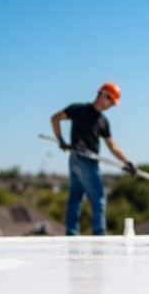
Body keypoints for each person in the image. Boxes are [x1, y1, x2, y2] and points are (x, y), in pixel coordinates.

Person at [50, 82, 136, 236]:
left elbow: (112, 146)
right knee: (99, 198)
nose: (111, 105)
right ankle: (100, 235)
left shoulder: (103, 121)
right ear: (103, 94)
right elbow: (55, 119)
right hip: (84, 160)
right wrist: (61, 141)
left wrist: (127, 162)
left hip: (76, 160)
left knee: (75, 197)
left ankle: (71, 233)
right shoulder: (78, 110)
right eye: (110, 101)